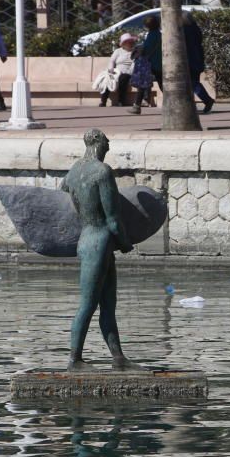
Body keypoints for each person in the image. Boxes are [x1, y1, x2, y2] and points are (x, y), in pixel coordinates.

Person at [60, 129, 137, 372]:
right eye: (106, 141)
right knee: (88, 303)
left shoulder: (73, 172)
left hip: (86, 238)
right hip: (100, 240)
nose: (108, 146)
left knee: (107, 303)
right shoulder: (102, 172)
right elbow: (112, 219)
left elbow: (64, 195)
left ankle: (118, 357)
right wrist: (125, 243)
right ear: (95, 141)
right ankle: (75, 359)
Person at [128, 15, 161, 114]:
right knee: (161, 84)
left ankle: (137, 106)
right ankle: (137, 106)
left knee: (142, 85)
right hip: (157, 63)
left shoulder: (152, 35)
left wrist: (138, 49)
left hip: (151, 63)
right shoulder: (158, 34)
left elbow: (147, 49)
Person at [183, 11, 215, 114]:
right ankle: (192, 104)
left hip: (191, 60)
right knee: (193, 82)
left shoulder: (186, 30)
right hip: (197, 59)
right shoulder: (195, 28)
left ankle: (207, 100)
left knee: (193, 83)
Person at [100, 33, 136, 107]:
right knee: (107, 78)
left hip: (128, 73)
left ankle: (121, 101)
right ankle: (103, 101)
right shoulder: (118, 51)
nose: (129, 43)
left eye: (130, 41)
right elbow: (112, 61)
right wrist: (111, 69)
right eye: (127, 41)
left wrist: (128, 72)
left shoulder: (134, 52)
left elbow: (134, 64)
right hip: (116, 71)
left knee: (123, 78)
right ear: (123, 43)